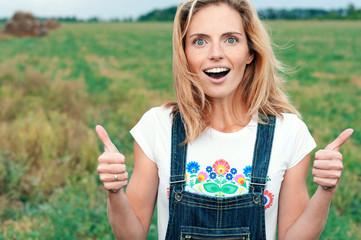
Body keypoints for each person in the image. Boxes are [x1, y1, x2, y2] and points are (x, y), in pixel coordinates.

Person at [95, 0, 354, 239]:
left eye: (231, 40)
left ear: (250, 52)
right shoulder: (157, 127)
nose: (215, 53)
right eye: (200, 41)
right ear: (184, 54)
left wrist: (325, 191)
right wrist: (115, 193)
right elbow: (132, 235)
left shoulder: (289, 133)